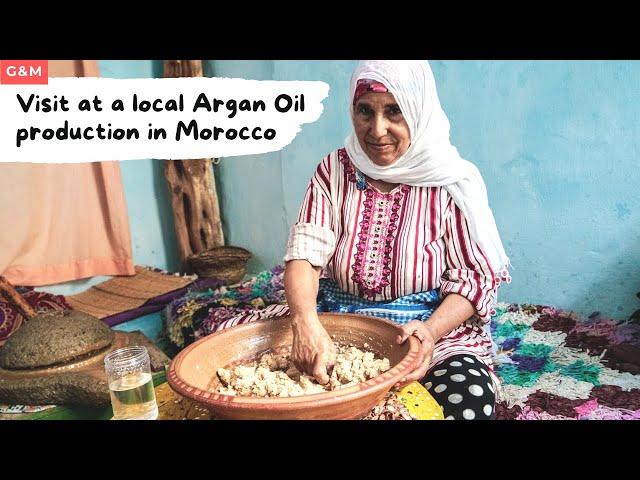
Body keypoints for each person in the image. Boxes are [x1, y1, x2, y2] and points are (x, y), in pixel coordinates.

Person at [283, 60, 511, 420]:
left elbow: (473, 278)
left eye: (394, 111)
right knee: (278, 393)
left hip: (422, 327)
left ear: (419, 109)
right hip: (337, 322)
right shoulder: (334, 171)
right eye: (365, 112)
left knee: (468, 397)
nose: (377, 130)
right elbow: (305, 256)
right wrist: (305, 323)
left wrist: (430, 332)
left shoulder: (450, 181)